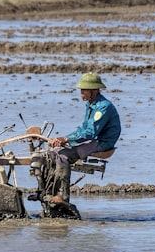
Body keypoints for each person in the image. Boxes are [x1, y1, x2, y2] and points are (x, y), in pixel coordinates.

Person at [45, 72, 121, 204]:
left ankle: (62, 197)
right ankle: (48, 192)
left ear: (94, 90)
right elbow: (83, 129)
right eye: (81, 90)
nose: (81, 94)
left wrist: (66, 139)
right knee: (53, 153)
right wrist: (65, 140)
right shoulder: (91, 104)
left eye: (84, 90)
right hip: (94, 139)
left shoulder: (103, 107)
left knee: (63, 156)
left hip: (103, 143)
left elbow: (90, 133)